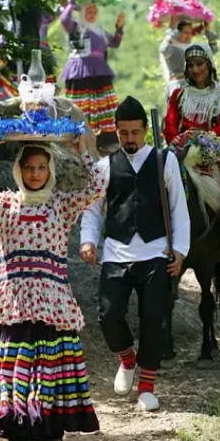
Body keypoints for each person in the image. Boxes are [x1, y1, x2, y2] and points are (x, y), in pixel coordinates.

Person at [0, 131, 105, 441]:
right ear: (19, 170)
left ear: (50, 170)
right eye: (29, 167)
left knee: (51, 367)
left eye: (41, 167)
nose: (35, 173)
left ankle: (50, 430)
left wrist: (81, 152)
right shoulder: (3, 203)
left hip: (54, 301)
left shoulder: (62, 205)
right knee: (18, 369)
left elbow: (97, 189)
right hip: (15, 300)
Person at [79, 96, 190, 412]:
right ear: (115, 131)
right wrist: (88, 242)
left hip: (156, 251)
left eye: (135, 133)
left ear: (145, 131)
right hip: (116, 251)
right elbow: (93, 210)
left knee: (154, 317)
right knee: (108, 313)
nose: (129, 139)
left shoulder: (164, 161)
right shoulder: (104, 167)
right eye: (123, 133)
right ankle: (126, 359)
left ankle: (146, 386)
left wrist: (180, 250)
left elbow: (178, 208)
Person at [60, 0, 125, 149]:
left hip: (99, 72)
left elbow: (114, 43)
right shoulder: (75, 27)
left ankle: (105, 140)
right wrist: (71, 4)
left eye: (95, 11)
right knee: (81, 106)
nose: (92, 14)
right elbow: (63, 20)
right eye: (89, 10)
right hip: (80, 71)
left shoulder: (100, 29)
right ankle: (77, 138)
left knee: (103, 106)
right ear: (82, 11)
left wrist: (119, 28)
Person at [164, 42, 220, 145]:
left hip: (210, 151)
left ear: (209, 64)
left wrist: (200, 138)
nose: (195, 69)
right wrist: (177, 140)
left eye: (199, 63)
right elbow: (170, 124)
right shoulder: (179, 95)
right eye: (190, 65)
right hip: (181, 151)